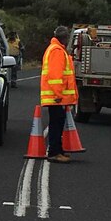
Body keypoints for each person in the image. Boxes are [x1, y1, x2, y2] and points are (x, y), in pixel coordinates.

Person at [40, 25, 78, 163]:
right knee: (56, 124)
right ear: (64, 37)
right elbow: (55, 75)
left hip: (57, 97)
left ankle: (58, 150)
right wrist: (58, 94)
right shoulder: (57, 51)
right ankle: (54, 152)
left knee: (58, 123)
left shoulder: (58, 50)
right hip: (56, 97)